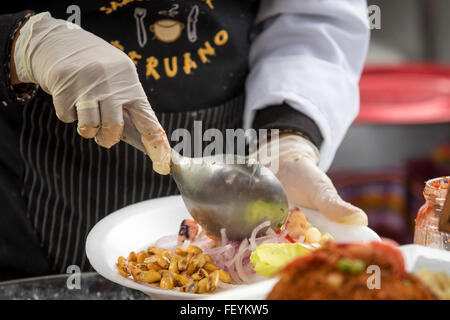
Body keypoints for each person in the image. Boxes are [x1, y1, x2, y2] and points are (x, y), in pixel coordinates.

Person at [0, 0, 370, 281]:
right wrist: (22, 42)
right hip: (37, 168)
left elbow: (311, 19)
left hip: (230, 139)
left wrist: (288, 136)